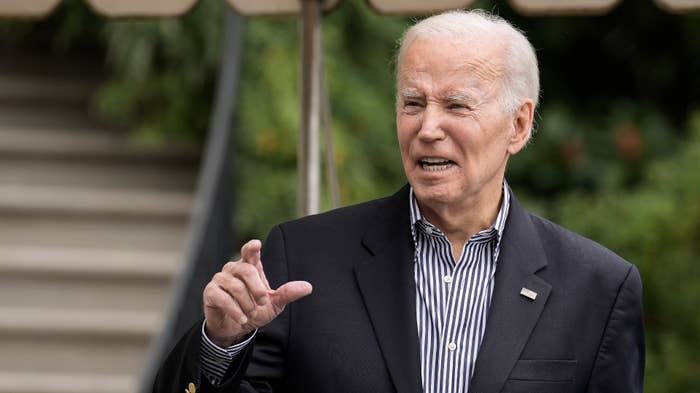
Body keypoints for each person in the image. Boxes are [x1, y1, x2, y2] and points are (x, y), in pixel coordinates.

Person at [154, 9, 645, 393]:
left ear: (517, 125)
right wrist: (221, 344)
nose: (427, 129)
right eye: (413, 103)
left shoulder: (598, 288)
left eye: (456, 105)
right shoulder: (302, 260)